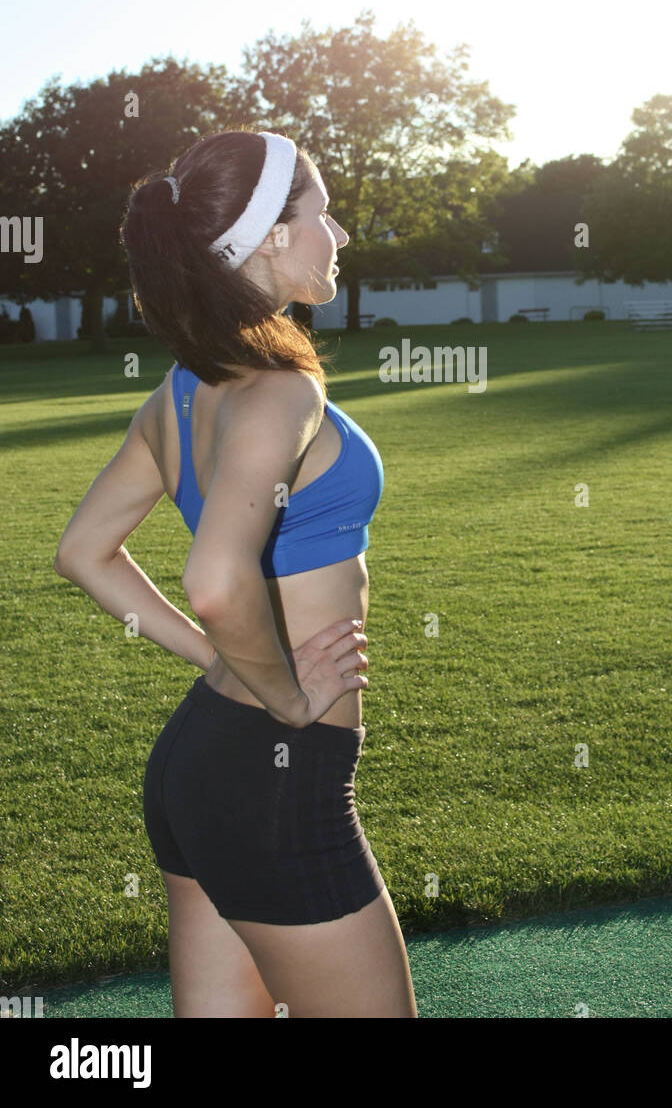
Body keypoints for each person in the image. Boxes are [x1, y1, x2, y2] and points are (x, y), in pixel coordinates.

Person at [54, 128, 418, 1018]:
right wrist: (289, 697)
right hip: (276, 779)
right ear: (268, 239)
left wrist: (223, 666)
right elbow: (215, 580)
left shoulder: (179, 394)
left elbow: (82, 553)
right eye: (322, 216)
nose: (339, 236)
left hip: (198, 765)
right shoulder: (283, 391)